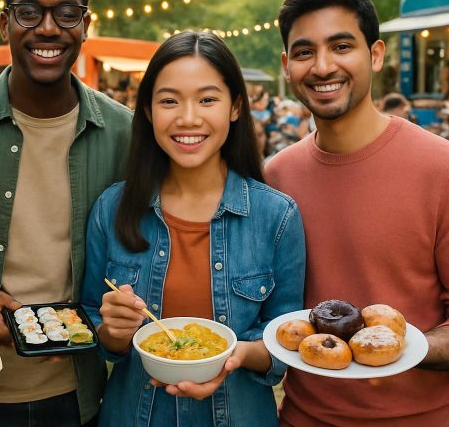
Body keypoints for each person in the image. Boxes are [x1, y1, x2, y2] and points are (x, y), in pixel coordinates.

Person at [267, 0, 449, 426]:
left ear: (375, 55)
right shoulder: (274, 177)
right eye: (304, 52)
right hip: (301, 417)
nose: (322, 66)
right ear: (287, 65)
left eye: (342, 46)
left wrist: (409, 349)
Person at [81, 31, 306, 427]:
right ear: (148, 111)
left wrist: (230, 357)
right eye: (169, 100)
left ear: (235, 106)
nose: (188, 118)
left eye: (207, 99)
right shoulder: (111, 209)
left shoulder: (277, 216)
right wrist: (114, 332)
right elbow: (96, 329)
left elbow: (285, 340)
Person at [0, 0, 133, 427]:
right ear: (4, 23)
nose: (49, 28)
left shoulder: (126, 132)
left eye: (67, 13)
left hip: (81, 393)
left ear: (86, 24)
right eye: (29, 12)